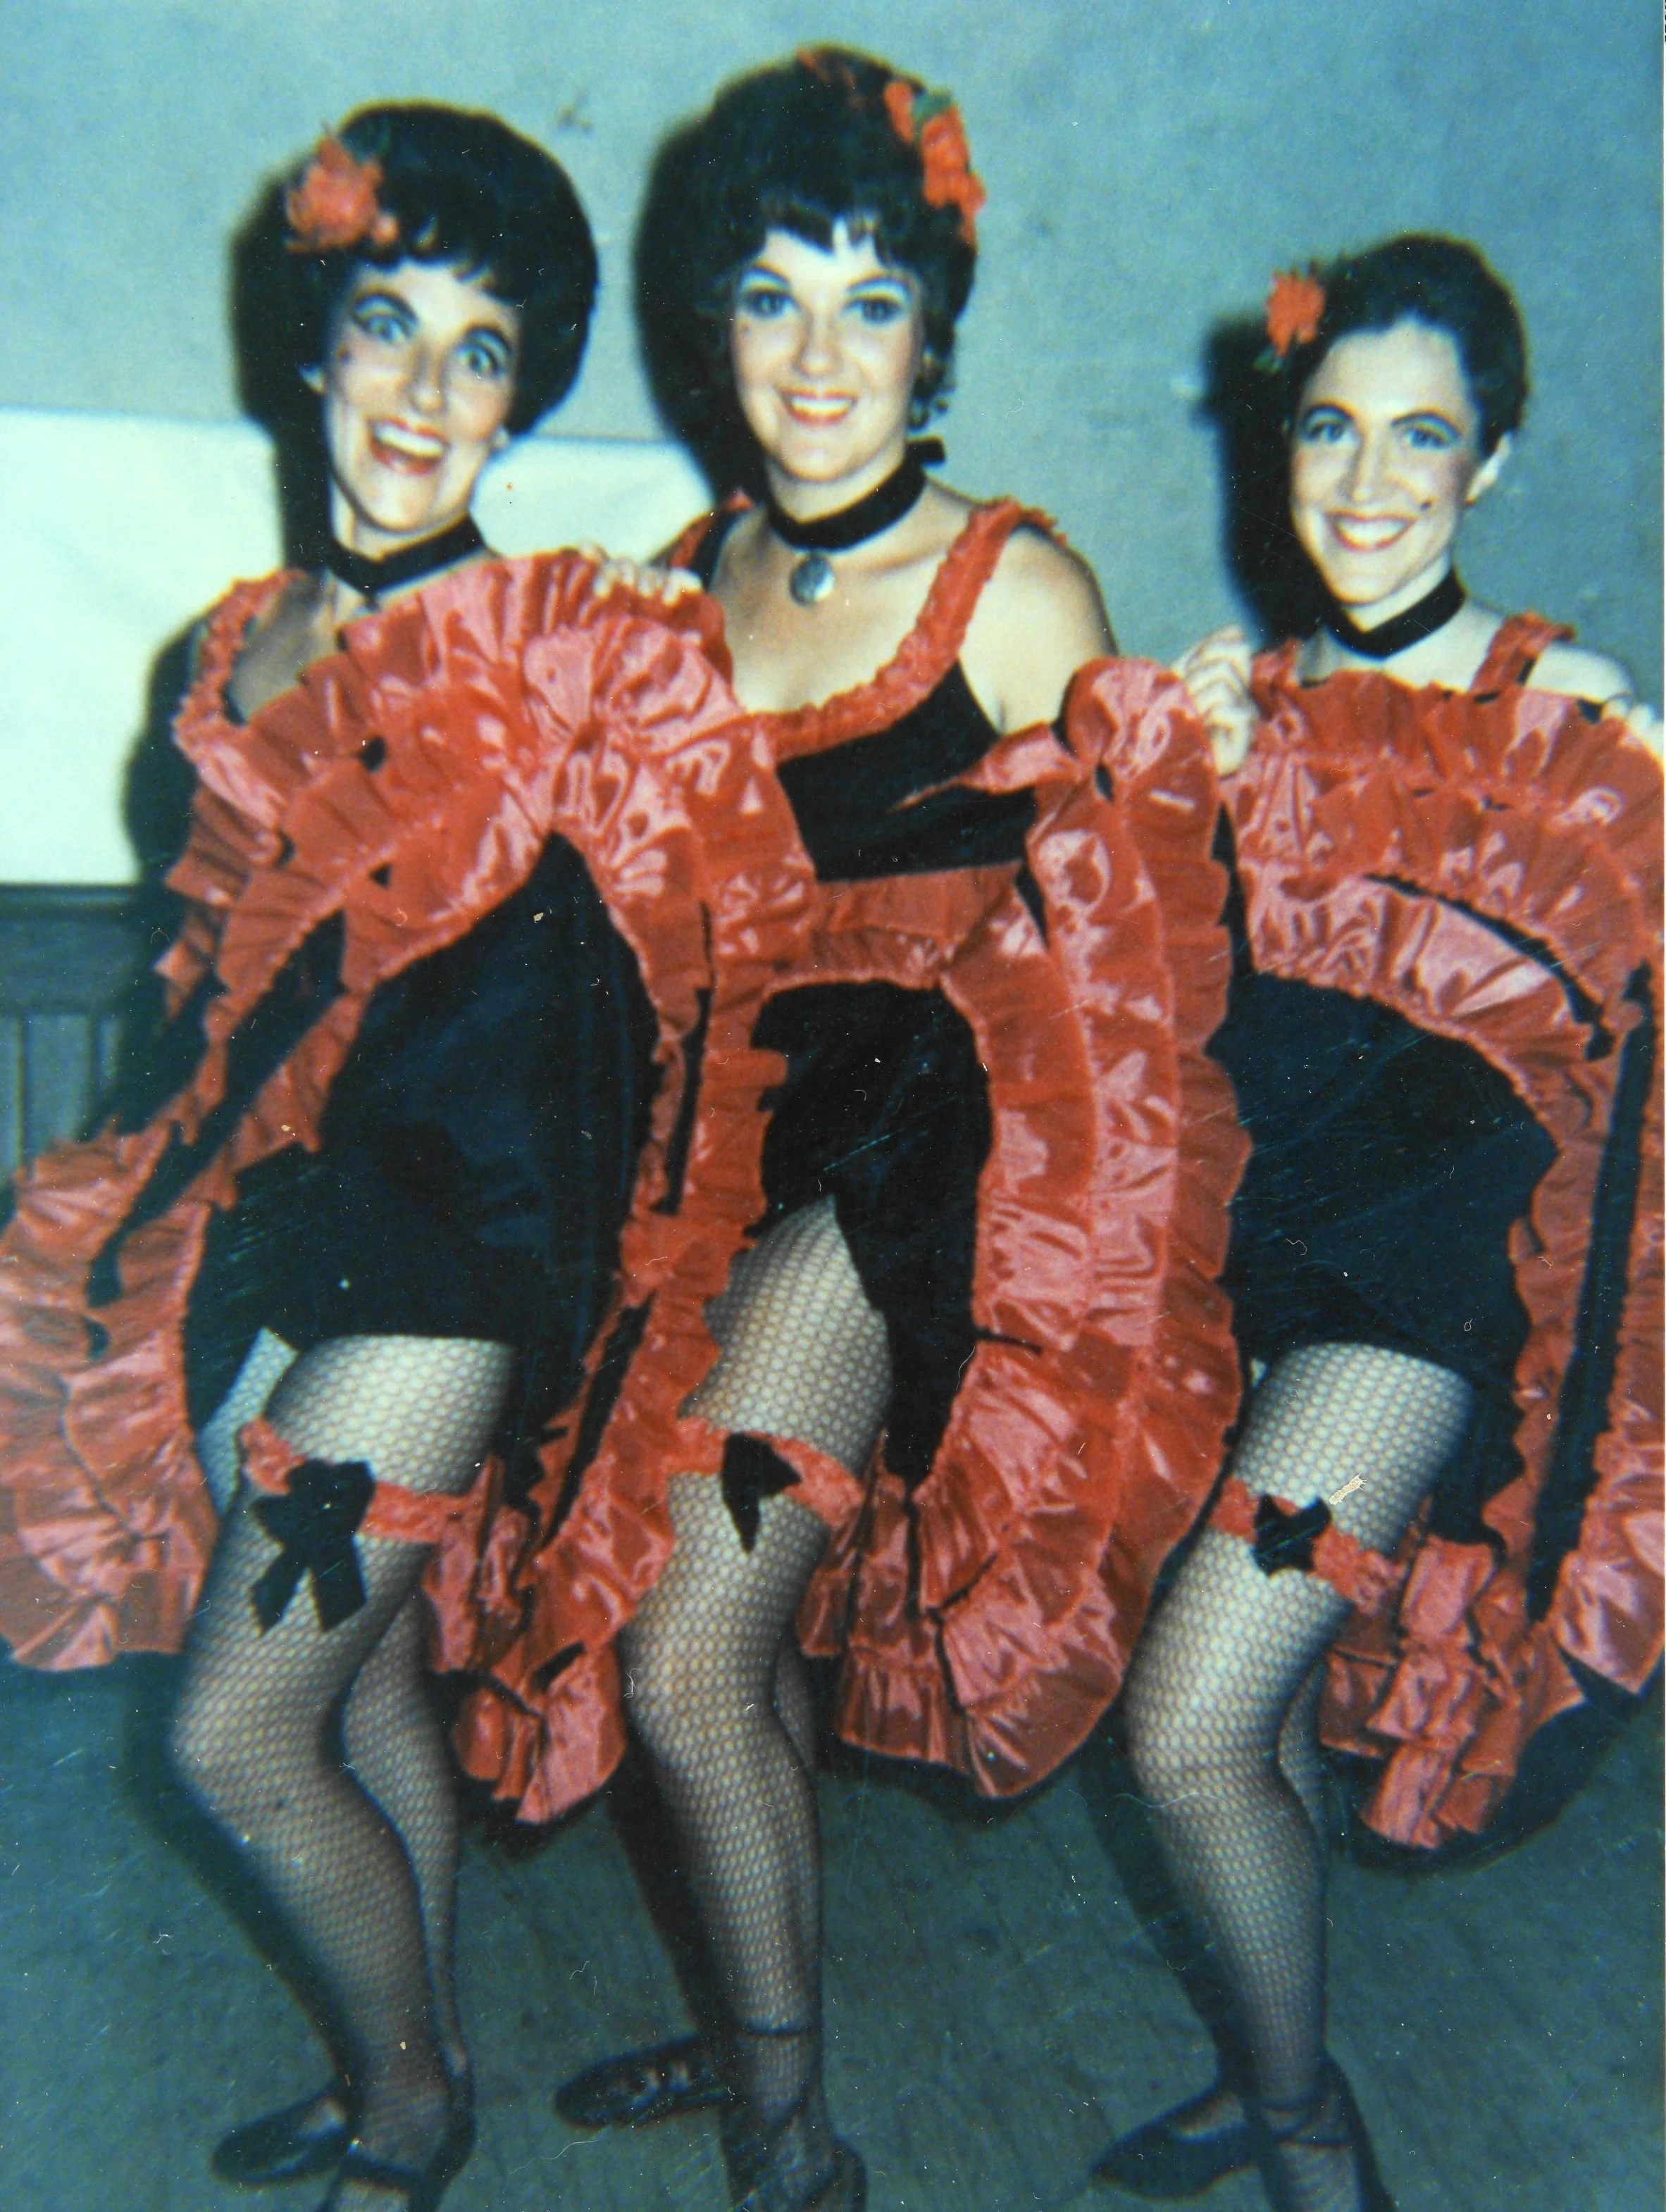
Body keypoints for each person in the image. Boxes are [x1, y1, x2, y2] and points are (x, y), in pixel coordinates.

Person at [451, 48, 1244, 2212]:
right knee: (734, 1628)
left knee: (686, 1638)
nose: (816, 355)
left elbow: (1136, 975)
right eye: (774, 299)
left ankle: (792, 2150)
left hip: (923, 1170)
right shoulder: (684, 578)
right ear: (714, 325)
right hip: (720, 1157)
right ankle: (751, 2028)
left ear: (934, 336)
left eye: (868, 302)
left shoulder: (1013, 590)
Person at [0, 103, 801, 2212]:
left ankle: (415, 2103)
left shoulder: (564, 645)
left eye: (479, 352)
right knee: (355, 1701)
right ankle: (402, 2068)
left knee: (229, 1732)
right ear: (313, 344)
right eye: (388, 327)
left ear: (521, 393)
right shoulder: (229, 645)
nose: (425, 395)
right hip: (290, 1227)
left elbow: (717, 909)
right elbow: (214, 979)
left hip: (472, 1253)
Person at [1092, 236, 1662, 2212]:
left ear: (1488, 462)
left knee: (1184, 1728)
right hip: (1239, 1278)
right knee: (1248, 1734)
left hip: (1415, 1309)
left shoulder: (1567, 712)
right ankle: (1268, 2055)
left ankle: (1312, 2137)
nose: (1363, 482)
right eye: (1328, 428)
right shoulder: (1219, 706)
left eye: (1421, 437)